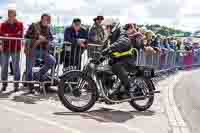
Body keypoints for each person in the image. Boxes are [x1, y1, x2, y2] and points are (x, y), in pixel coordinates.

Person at [101, 18, 138, 96]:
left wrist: (109, 48)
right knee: (103, 70)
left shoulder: (121, 32)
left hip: (127, 59)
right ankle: (108, 92)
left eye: (106, 27)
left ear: (112, 26)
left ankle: (129, 87)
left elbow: (123, 42)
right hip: (118, 58)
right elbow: (104, 47)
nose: (105, 29)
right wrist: (100, 54)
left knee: (116, 67)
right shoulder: (111, 35)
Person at [24, 13, 56, 93]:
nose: (48, 21)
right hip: (32, 49)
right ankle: (30, 86)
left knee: (52, 61)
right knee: (29, 68)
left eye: (49, 20)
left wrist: (47, 40)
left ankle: (38, 74)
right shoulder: (34, 25)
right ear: (42, 19)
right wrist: (38, 37)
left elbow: (50, 37)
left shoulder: (48, 28)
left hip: (43, 50)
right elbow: (27, 36)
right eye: (46, 19)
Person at [0, 9, 23, 92]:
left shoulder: (20, 24)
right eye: (9, 14)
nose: (11, 16)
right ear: (8, 15)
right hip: (5, 48)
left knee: (16, 67)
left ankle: (16, 85)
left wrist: (7, 35)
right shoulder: (3, 24)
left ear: (15, 15)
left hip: (15, 48)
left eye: (12, 14)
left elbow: (19, 35)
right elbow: (1, 34)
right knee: (4, 67)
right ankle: (4, 84)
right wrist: (12, 36)